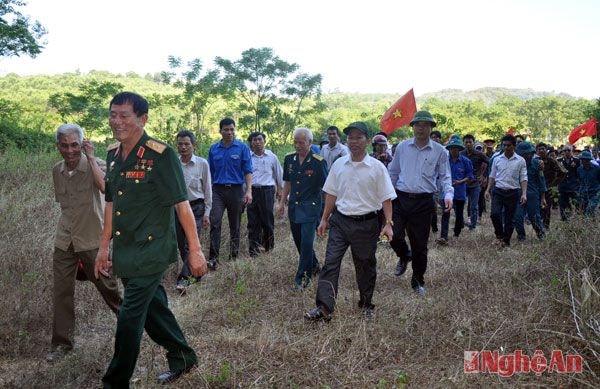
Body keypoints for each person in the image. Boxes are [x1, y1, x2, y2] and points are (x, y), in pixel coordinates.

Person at [94, 92, 207, 387]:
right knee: (153, 308)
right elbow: (110, 204)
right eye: (113, 114)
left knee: (130, 315)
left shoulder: (161, 154)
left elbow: (182, 205)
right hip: (127, 248)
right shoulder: (113, 154)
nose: (116, 122)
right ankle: (183, 356)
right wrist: (104, 247)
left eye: (124, 116)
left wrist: (194, 251)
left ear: (142, 119)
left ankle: (114, 382)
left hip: (152, 248)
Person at [304, 122, 396, 321]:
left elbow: (386, 198)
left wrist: (388, 223)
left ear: (367, 140)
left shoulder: (377, 167)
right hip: (340, 222)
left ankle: (365, 305)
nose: (354, 141)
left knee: (365, 264)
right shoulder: (339, 164)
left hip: (367, 223)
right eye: (350, 138)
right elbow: (331, 194)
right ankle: (324, 308)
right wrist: (324, 219)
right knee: (330, 263)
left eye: (358, 137)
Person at [47, 124, 122, 362]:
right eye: (64, 145)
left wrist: (90, 157)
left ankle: (133, 326)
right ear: (57, 146)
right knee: (62, 292)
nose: (69, 151)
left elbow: (104, 188)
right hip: (65, 239)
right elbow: (64, 205)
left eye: (74, 145)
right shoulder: (57, 170)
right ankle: (62, 344)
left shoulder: (95, 164)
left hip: (91, 239)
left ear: (83, 144)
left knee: (108, 288)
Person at [388, 110, 453, 295]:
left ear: (431, 128)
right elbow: (393, 172)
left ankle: (418, 281)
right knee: (392, 234)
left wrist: (448, 194)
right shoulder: (402, 147)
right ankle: (404, 255)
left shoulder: (440, 151)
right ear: (413, 127)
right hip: (400, 198)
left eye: (425, 124)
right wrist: (387, 197)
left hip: (424, 202)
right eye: (417, 124)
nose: (421, 127)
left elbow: (445, 176)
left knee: (420, 245)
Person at [277, 128, 327, 289]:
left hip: (311, 207)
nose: (298, 145)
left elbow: (326, 188)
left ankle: (302, 278)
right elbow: (288, 182)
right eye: (296, 142)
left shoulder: (318, 161)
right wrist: (282, 203)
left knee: (306, 242)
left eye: (302, 142)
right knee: (299, 241)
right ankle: (314, 265)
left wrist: (327, 213)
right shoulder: (289, 159)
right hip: (294, 206)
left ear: (310, 143)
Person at [207, 118, 253, 270]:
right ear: (220, 131)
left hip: (236, 190)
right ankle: (213, 258)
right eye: (226, 129)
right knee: (215, 222)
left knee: (235, 224)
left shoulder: (242, 148)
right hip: (218, 191)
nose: (229, 132)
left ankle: (234, 256)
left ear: (235, 130)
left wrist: (248, 190)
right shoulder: (214, 149)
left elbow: (247, 170)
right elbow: (210, 173)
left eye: (232, 129)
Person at [174, 130, 212, 292]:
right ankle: (197, 272)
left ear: (193, 145)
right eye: (180, 144)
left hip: (196, 207)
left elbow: (207, 189)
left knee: (191, 242)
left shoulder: (202, 164)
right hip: (177, 208)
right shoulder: (173, 163)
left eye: (186, 144)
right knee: (181, 244)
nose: (183, 147)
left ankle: (183, 279)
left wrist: (207, 213)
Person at [485, 134, 528, 247]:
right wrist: (488, 189)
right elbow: (492, 175)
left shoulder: (520, 161)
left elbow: (523, 178)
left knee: (510, 219)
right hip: (498, 190)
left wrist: (524, 194)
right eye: (504, 145)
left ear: (514, 146)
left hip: (513, 192)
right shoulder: (497, 159)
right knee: (494, 214)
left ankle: (506, 241)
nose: (506, 147)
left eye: (509, 145)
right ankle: (499, 235)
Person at [247, 131, 283, 256]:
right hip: (251, 191)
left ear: (264, 141)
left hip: (267, 191)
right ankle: (254, 249)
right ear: (251, 143)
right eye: (254, 140)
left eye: (259, 139)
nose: (257, 142)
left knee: (267, 220)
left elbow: (279, 175)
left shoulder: (272, 157)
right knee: (252, 221)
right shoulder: (247, 157)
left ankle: (269, 247)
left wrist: (281, 191)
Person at [436, 136, 474, 245]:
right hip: (446, 193)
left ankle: (456, 233)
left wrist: (460, 181)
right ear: (449, 149)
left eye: (456, 148)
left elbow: (470, 176)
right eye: (451, 148)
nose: (453, 150)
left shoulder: (465, 161)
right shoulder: (444, 161)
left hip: (460, 192)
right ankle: (443, 236)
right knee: (445, 213)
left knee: (459, 215)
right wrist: (439, 193)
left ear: (459, 149)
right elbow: (439, 177)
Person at [513, 141, 546, 241]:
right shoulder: (515, 164)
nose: (528, 156)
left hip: (532, 195)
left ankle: (541, 236)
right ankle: (521, 236)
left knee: (534, 217)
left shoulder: (537, 163)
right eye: (525, 154)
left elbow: (541, 181)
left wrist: (543, 197)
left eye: (529, 153)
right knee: (517, 217)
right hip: (518, 195)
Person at [461, 134, 488, 230]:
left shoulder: (479, 154)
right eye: (466, 142)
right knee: (459, 204)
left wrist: (483, 175)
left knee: (474, 206)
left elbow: (490, 164)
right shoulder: (461, 154)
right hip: (462, 183)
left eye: (470, 142)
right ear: (463, 143)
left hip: (475, 183)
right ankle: (460, 223)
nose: (468, 144)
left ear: (473, 143)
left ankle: (473, 226)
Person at [535, 142, 565, 229]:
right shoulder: (534, 161)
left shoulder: (552, 161)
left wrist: (553, 184)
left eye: (543, 149)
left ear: (546, 150)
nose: (541, 151)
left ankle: (545, 228)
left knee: (546, 209)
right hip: (537, 189)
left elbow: (562, 172)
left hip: (548, 189)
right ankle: (539, 227)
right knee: (538, 209)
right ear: (536, 151)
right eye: (539, 149)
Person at [557, 144, 581, 221]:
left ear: (572, 151)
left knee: (576, 204)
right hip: (562, 187)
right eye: (565, 150)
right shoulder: (559, 161)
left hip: (573, 186)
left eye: (569, 150)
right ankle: (565, 220)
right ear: (562, 152)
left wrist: (577, 183)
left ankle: (578, 220)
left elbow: (579, 173)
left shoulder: (577, 160)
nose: (567, 152)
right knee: (563, 204)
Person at [577, 150, 600, 216]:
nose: (583, 161)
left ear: (589, 160)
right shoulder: (579, 169)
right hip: (584, 193)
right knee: (583, 212)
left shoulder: (597, 168)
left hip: (594, 193)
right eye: (582, 159)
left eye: (585, 159)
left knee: (590, 209)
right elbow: (579, 181)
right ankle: (591, 224)